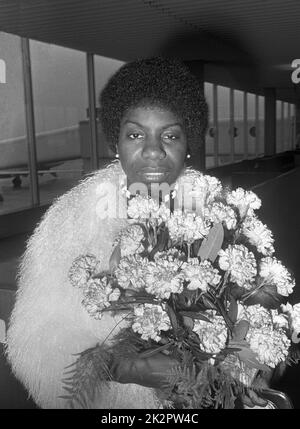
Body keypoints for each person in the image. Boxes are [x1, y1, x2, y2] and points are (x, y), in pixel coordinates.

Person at [6, 57, 272, 409]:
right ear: (114, 144)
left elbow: (265, 329)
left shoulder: (221, 216)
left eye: (170, 135)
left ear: (188, 144)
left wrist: (232, 372)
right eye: (135, 134)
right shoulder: (68, 224)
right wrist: (129, 368)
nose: (152, 150)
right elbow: (33, 341)